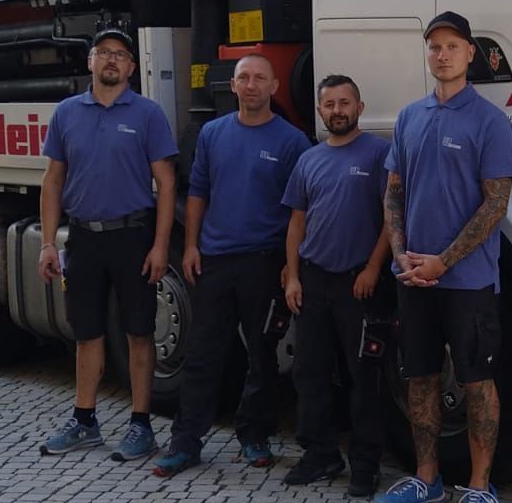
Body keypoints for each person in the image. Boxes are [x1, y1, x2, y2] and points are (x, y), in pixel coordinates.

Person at [374, 11, 512, 503]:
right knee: (420, 378)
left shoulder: (489, 121)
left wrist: (443, 261)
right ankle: (425, 478)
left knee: (477, 381)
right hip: (414, 276)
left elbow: (494, 205)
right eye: (434, 46)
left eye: (452, 46)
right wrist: (402, 253)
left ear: (470, 54)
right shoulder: (411, 117)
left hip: (468, 281)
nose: (442, 54)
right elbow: (394, 190)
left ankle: (480, 487)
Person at [153, 53, 309, 476]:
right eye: (244, 78)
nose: (252, 85)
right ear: (234, 86)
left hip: (265, 261)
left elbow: (300, 210)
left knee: (263, 355)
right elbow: (198, 190)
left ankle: (254, 435)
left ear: (275, 87)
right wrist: (191, 246)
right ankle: (186, 442)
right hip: (216, 260)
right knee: (204, 353)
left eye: (260, 78)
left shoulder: (293, 142)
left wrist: (289, 265)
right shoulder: (213, 134)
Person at [38, 27, 178, 460]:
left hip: (133, 236)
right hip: (83, 238)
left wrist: (160, 247)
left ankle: (141, 425)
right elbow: (53, 180)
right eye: (104, 53)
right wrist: (47, 243)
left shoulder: (148, 114)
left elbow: (167, 184)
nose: (112, 61)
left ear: (132, 67)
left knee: (139, 332)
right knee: (87, 334)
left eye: (120, 55)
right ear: (91, 62)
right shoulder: (66, 113)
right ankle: (85, 420)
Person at [281, 74, 392, 500]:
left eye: (345, 102)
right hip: (313, 281)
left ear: (359, 108)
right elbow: (297, 223)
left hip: (358, 284)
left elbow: (390, 218)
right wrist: (292, 275)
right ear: (321, 110)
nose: (337, 111)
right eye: (329, 104)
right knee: (309, 373)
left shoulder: (380, 154)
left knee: (363, 376)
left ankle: (365, 466)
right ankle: (320, 455)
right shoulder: (309, 160)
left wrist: (372, 268)